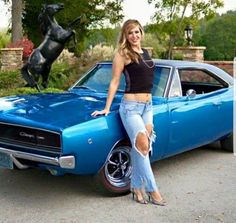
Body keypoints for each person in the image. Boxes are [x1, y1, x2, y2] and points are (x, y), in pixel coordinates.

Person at [91, 19, 166, 206]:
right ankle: (152, 190)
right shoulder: (122, 54)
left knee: (142, 148)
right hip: (130, 108)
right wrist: (107, 108)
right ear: (125, 35)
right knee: (141, 144)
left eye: (137, 32)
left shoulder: (146, 52)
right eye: (130, 32)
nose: (134, 36)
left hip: (148, 107)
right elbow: (115, 81)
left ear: (141, 32)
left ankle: (136, 186)